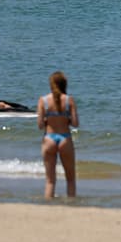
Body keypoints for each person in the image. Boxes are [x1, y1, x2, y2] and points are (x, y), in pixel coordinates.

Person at [37, 70, 78, 198]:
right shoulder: (69, 100)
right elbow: (75, 123)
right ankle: (71, 205)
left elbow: (40, 125)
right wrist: (66, 119)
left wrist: (48, 120)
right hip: (65, 138)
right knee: (70, 179)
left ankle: (48, 206)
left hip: (49, 138)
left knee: (50, 181)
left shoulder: (43, 101)